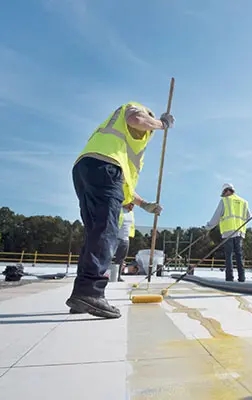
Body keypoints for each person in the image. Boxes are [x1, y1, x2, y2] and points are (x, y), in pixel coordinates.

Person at [66, 102, 175, 318]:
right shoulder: (133, 112)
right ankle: (90, 293)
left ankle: (81, 294)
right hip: (104, 169)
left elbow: (123, 186)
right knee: (107, 232)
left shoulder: (116, 147)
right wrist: (162, 123)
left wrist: (146, 205)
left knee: (95, 233)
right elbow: (136, 119)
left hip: (85, 169)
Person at [205, 183, 250, 282]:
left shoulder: (225, 201)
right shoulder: (244, 202)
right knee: (239, 254)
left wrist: (208, 227)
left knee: (229, 255)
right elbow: (248, 217)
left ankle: (229, 278)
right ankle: (242, 278)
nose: (223, 195)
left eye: (223, 193)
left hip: (228, 232)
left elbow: (216, 217)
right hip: (240, 233)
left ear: (226, 191)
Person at [115, 202, 135, 281]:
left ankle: (118, 276)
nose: (133, 206)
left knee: (121, 259)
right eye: (131, 204)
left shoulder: (131, 214)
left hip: (125, 239)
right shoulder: (119, 210)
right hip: (116, 238)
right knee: (108, 257)